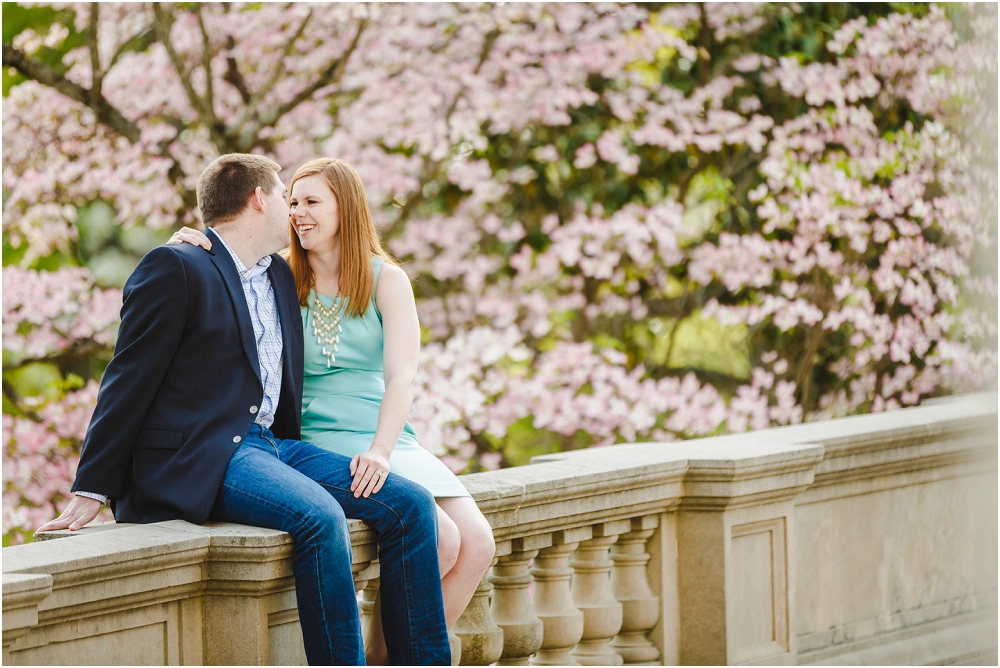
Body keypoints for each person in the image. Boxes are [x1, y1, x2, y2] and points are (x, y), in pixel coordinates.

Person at [37, 154, 451, 666]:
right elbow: (126, 378)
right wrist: (91, 487)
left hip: (272, 446)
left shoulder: (278, 274)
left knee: (408, 506)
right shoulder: (178, 265)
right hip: (206, 455)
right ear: (259, 199)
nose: (293, 210)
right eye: (285, 195)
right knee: (321, 517)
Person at [169, 157, 496, 665]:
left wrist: (382, 450)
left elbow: (402, 375)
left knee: (478, 543)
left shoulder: (386, 279)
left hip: (384, 435)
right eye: (292, 201)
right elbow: (224, 259)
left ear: (346, 207)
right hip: (316, 436)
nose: (298, 212)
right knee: (443, 539)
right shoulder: (276, 276)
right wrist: (192, 242)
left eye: (311, 202)